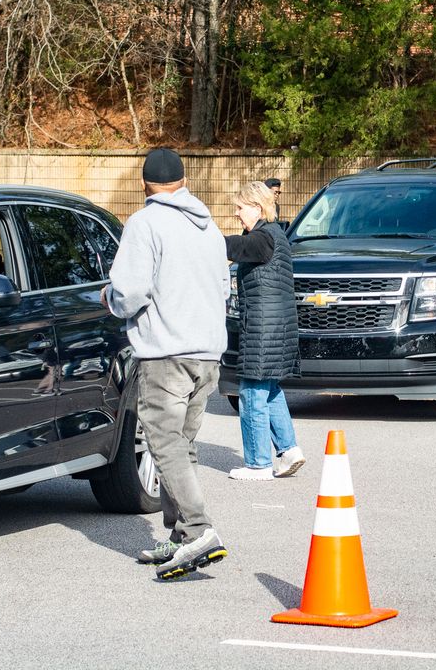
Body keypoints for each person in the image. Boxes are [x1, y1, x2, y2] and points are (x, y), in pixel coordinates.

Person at [101, 148, 231, 579]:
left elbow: (130, 292)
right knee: (184, 445)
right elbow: (224, 290)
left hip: (166, 353)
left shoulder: (145, 223)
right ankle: (178, 539)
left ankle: (197, 529)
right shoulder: (210, 228)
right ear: (183, 181)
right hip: (208, 352)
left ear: (145, 184)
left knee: (164, 444)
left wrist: (109, 299)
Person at [225, 180, 304, 481]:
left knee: (251, 392)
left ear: (257, 207)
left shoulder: (262, 238)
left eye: (240, 207)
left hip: (263, 328)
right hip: (277, 327)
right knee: (269, 389)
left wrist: (201, 240)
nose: (236, 213)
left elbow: (235, 247)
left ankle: (257, 464)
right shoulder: (276, 235)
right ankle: (289, 450)